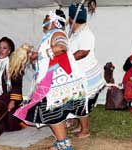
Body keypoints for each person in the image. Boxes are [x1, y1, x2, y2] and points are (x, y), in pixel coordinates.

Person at [14, 10, 87, 150]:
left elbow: (61, 48)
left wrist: (38, 54)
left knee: (51, 112)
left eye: (46, 18)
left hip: (55, 81)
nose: (44, 22)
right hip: (51, 80)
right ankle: (62, 142)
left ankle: (64, 145)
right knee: (53, 112)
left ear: (54, 21)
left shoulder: (57, 33)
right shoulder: (49, 35)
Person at [68, 1, 105, 138]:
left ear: (71, 19)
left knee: (81, 101)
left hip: (87, 75)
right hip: (79, 74)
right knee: (77, 100)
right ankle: (80, 126)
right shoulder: (76, 32)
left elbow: (83, 52)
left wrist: (67, 60)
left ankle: (85, 130)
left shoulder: (86, 33)